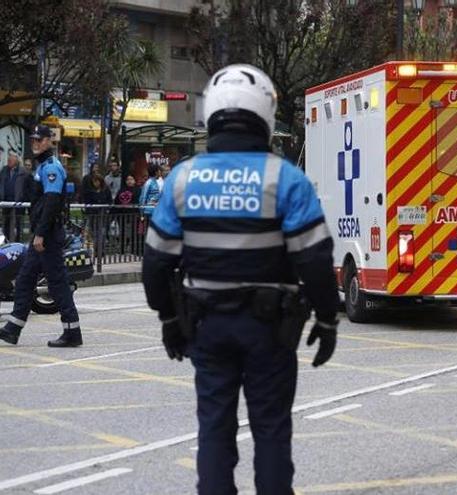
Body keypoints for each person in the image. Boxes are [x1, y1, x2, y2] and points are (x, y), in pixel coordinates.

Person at [142, 64, 339, 494]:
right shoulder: (286, 179)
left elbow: (156, 262)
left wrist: (168, 320)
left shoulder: (182, 179)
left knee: (214, 428)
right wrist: (327, 320)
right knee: (270, 431)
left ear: (211, 112)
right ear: (265, 115)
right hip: (270, 329)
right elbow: (316, 261)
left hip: (206, 326)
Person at [0, 125, 82, 347]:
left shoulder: (51, 168)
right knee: (25, 280)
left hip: (48, 236)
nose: (35, 143)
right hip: (43, 234)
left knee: (57, 283)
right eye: (34, 139)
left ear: (49, 141)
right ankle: (13, 328)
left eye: (40, 139)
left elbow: (52, 203)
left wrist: (40, 235)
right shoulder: (43, 166)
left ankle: (72, 332)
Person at [0, 151, 28, 241]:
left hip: (17, 203)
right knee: (6, 224)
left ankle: (16, 242)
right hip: (5, 202)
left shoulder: (23, 172)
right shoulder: (4, 170)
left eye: (11, 159)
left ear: (16, 160)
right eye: (8, 159)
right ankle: (6, 241)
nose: (9, 161)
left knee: (16, 225)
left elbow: (25, 188)